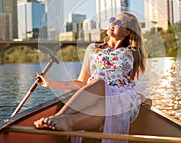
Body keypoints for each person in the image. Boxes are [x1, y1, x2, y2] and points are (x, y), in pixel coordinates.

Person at [34, 12, 147, 142]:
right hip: (96, 92)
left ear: (127, 32)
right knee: (99, 89)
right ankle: (60, 118)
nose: (112, 24)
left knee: (103, 95)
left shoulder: (131, 53)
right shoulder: (93, 49)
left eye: (118, 23)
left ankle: (65, 121)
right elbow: (81, 82)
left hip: (121, 98)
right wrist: (50, 83)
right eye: (112, 20)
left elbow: (129, 82)